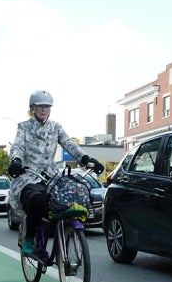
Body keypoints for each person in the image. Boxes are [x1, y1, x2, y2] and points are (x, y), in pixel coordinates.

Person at [7, 90, 104, 256]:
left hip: (51, 176)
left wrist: (86, 158)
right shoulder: (24, 127)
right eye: (40, 106)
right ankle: (29, 239)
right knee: (37, 200)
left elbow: (69, 144)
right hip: (29, 175)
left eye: (47, 106)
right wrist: (16, 161)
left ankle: (66, 232)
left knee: (71, 193)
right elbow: (17, 146)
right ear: (32, 108)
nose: (44, 110)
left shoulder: (56, 127)